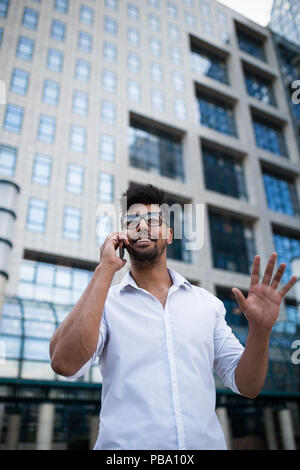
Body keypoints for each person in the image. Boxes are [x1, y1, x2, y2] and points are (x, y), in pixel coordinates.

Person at [49, 183, 296, 450]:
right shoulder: (104, 305)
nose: (142, 227)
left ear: (168, 234)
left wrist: (260, 330)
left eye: (153, 220)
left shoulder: (206, 304)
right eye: (133, 222)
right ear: (122, 236)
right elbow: (64, 363)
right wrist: (105, 268)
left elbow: (247, 385)